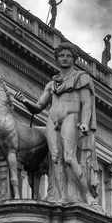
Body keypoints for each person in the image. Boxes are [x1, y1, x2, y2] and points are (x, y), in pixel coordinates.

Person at [15, 42, 99, 204]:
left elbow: (87, 104)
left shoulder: (81, 79)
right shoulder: (51, 84)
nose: (65, 59)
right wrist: (25, 101)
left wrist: (85, 123)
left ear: (74, 59)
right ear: (57, 59)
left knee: (69, 157)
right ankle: (62, 196)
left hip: (71, 117)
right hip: (52, 120)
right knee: (55, 159)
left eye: (68, 56)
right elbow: (38, 107)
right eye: (61, 56)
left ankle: (87, 194)